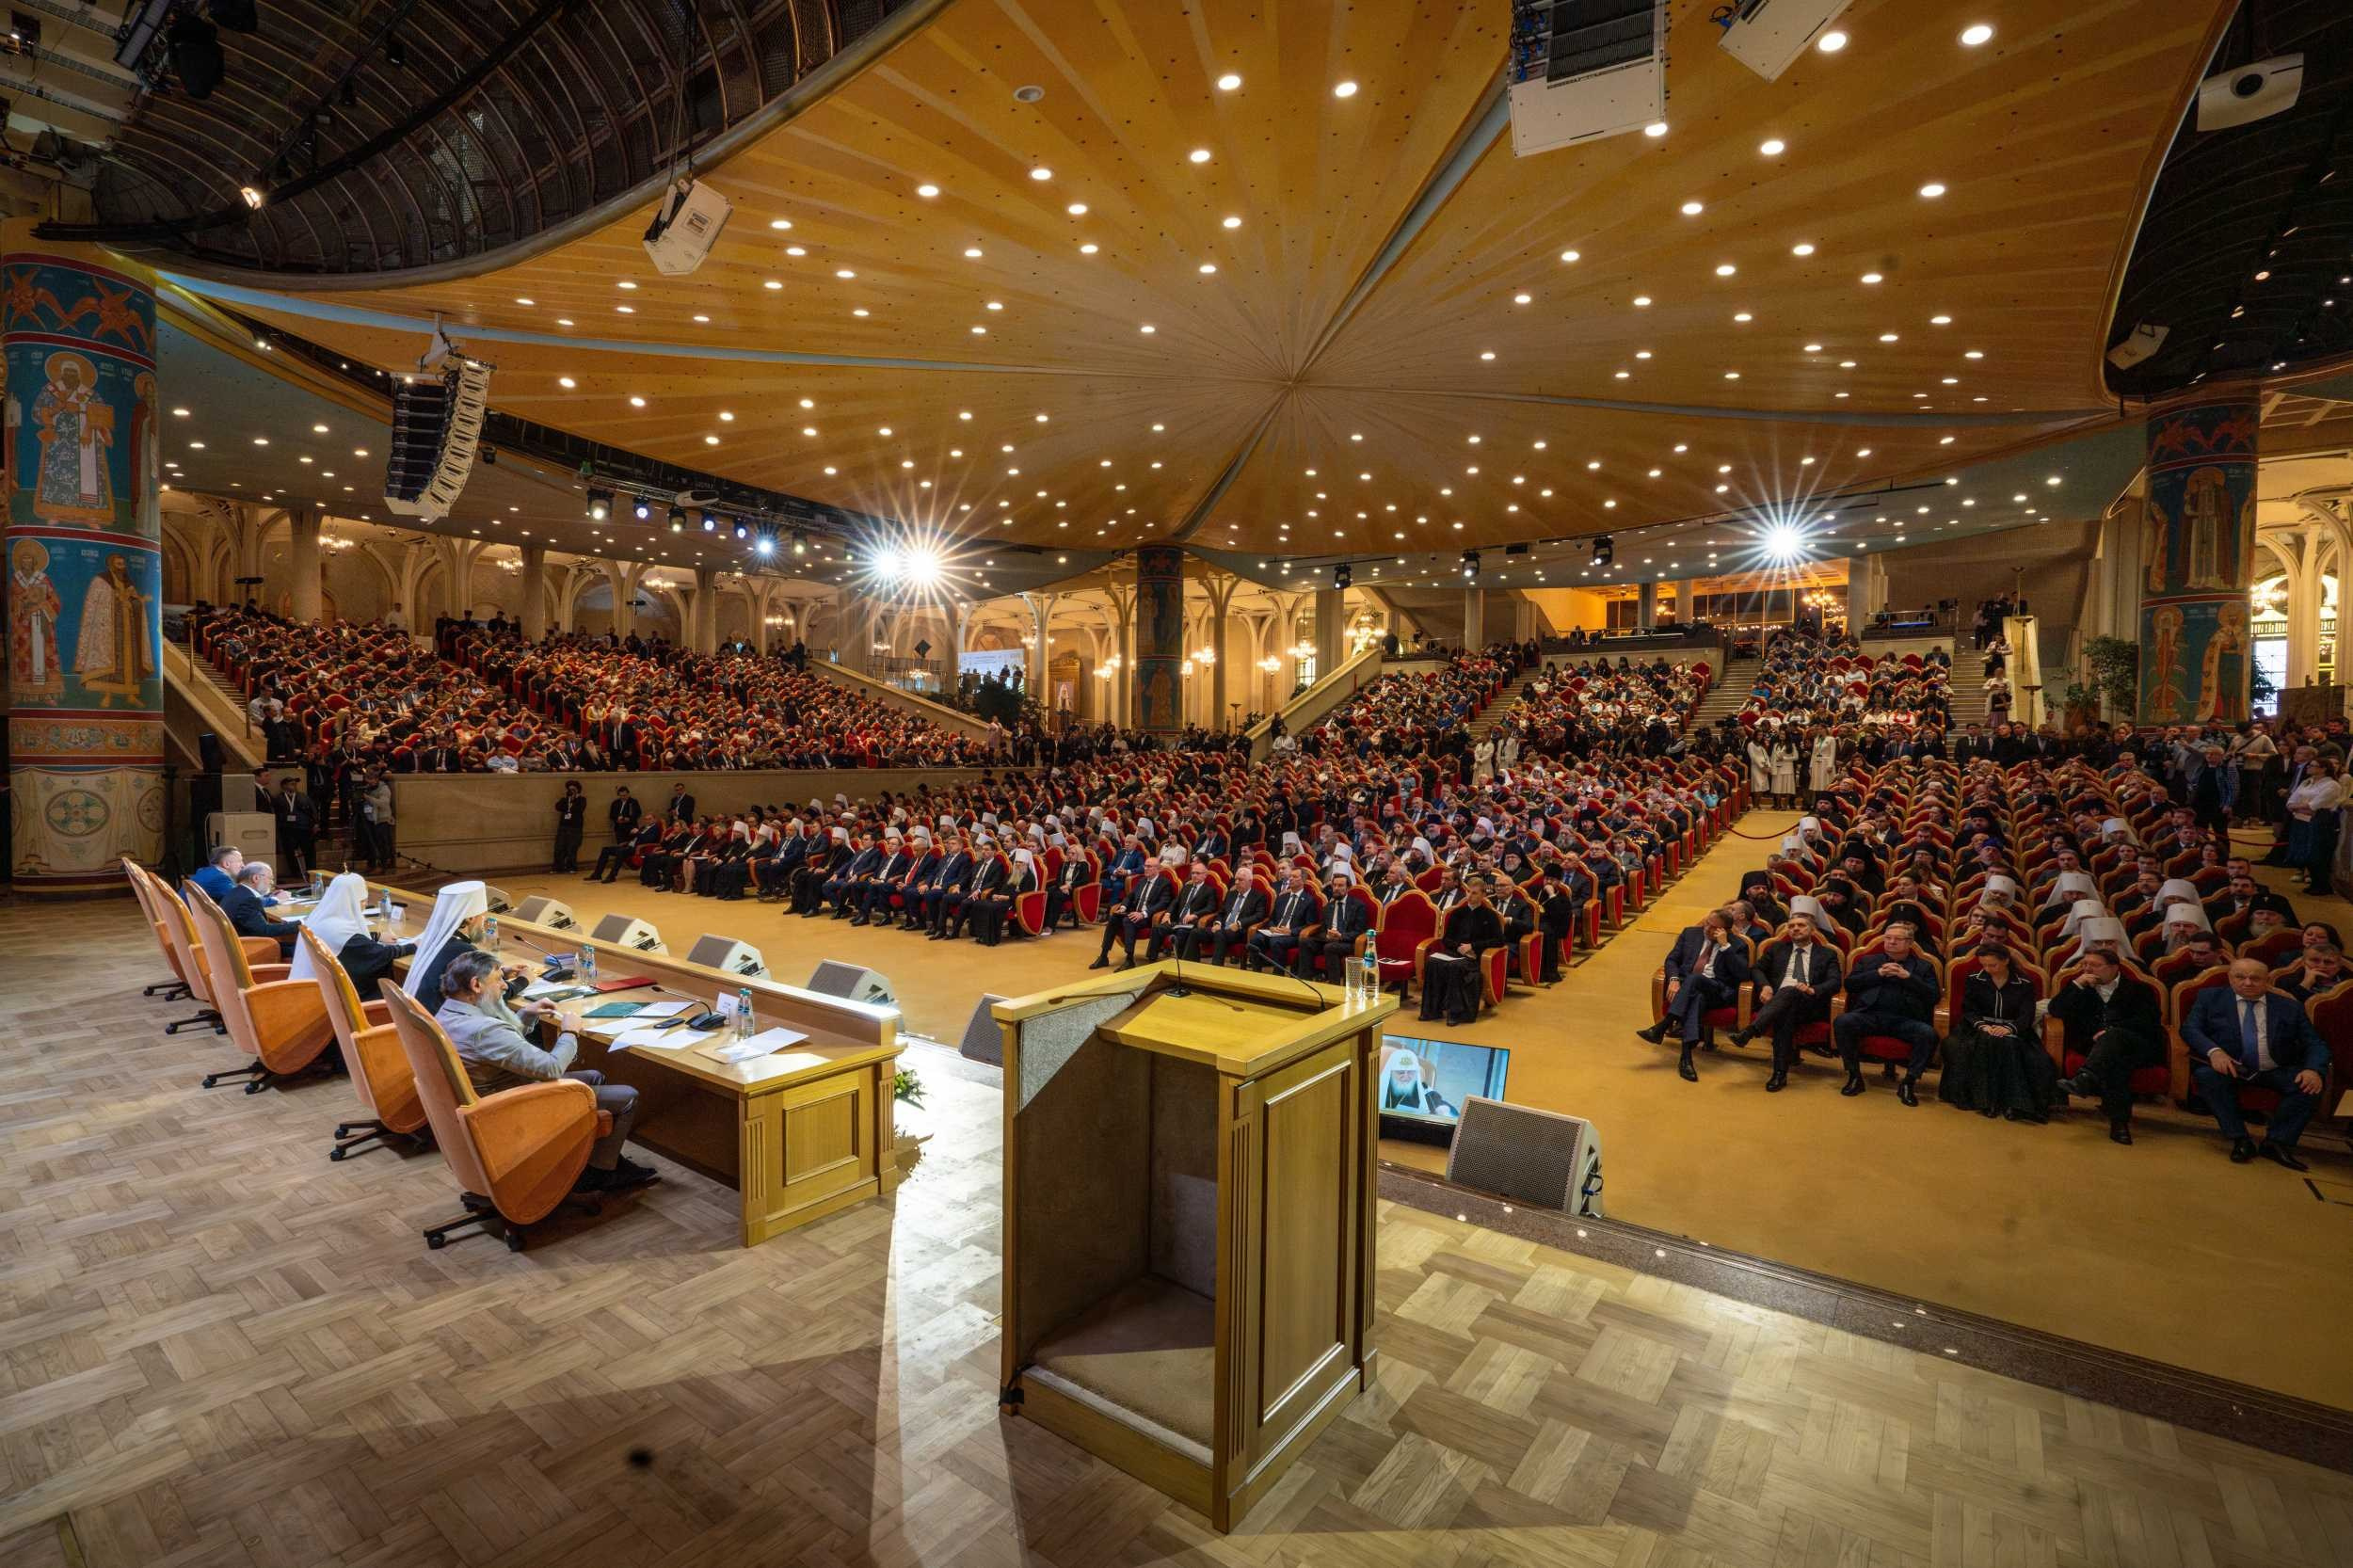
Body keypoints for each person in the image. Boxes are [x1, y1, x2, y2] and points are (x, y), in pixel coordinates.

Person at [433, 950, 656, 1193]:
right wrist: (570, 1032)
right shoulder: (483, 1029)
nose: (505, 986)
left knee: (594, 1077)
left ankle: (591, 1160)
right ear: (476, 985)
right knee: (627, 1096)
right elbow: (551, 1068)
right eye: (498, 979)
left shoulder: (449, 1012)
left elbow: (500, 1048)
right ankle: (600, 1174)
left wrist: (525, 1015)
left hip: (489, 1097)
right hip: (509, 1107)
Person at [2182, 957, 2334, 1171]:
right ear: (2230, 978)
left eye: (2255, 978)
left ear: (2267, 980)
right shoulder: (2210, 998)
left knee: (2308, 1085)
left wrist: (2313, 1069)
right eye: (2240, 977)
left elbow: (2315, 1043)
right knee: (2206, 1076)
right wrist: (2214, 1052)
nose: (2247, 983)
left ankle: (2276, 1142)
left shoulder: (2289, 1007)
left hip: (2275, 1068)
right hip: (2231, 1066)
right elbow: (2190, 1029)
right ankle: (2240, 1139)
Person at [2049, 947, 2166, 1145]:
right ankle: (2119, 1123)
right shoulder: (2079, 988)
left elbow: (2149, 1021)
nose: (2088, 969)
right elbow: (2055, 1010)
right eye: (2084, 965)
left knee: (2115, 1041)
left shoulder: (2139, 990)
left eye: (2094, 965)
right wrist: (2077, 984)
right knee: (2116, 1062)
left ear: (2113, 968)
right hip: (2093, 1047)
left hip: (2134, 1044)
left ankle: (2086, 1078)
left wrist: (2113, 1030)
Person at [1936, 942, 2055, 1121]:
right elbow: (1969, 1010)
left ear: (2006, 961)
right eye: (1984, 965)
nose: (1988, 969)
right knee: (1978, 1044)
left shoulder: (2024, 983)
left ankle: (2015, 1104)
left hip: (2014, 1029)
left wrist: (2009, 1028)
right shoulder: (1975, 979)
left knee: (2021, 1051)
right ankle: (1985, 1101)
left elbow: (2026, 1015)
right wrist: (1982, 1026)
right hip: (1979, 1027)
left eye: (1993, 965)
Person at [1734, 911, 1844, 1093]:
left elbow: (1834, 982)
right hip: (1779, 1003)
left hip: (1809, 1003)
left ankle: (1752, 1031)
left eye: (1801, 925)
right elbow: (1757, 969)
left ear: (1812, 930)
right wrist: (1765, 986)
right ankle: (1779, 1074)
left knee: (1789, 993)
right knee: (1785, 1011)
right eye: (1791, 926)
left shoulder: (1827, 954)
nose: (1795, 929)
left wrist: (1812, 989)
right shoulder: (1778, 948)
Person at [1830, 922, 1939, 1101]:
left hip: (1905, 1020)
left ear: (1910, 943)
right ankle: (1854, 1076)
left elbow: (1933, 996)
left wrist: (1908, 978)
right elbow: (1850, 984)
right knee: (1843, 1021)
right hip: (1870, 1015)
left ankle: (1909, 1082)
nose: (1891, 942)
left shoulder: (1923, 967)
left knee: (1928, 1034)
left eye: (1898, 939)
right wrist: (1878, 973)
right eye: (1888, 938)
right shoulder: (1868, 961)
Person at [1639, 907, 1753, 1080]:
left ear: (1725, 930)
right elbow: (1672, 960)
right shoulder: (1691, 933)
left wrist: (1724, 946)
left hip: (1718, 991)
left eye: (1714, 927)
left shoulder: (1737, 945)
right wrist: (1674, 979)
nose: (1707, 929)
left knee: (1694, 980)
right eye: (1707, 923)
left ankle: (1664, 1025)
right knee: (1697, 998)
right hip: (1691, 990)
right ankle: (1686, 1059)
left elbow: (1743, 975)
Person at [288, 872, 413, 1001]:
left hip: (304, 989)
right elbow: (379, 954)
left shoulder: (322, 917)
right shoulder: (340, 929)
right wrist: (413, 946)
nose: (365, 904)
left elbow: (343, 940)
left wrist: (377, 935)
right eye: (363, 900)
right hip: (322, 1001)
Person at [1420, 879, 1504, 1026]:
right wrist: (1459, 946)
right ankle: (1432, 1010)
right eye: (1468, 892)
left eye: (1474, 893)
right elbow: (1446, 939)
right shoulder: (1457, 913)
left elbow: (1499, 941)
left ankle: (1456, 1013)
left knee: (1456, 967)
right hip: (1455, 952)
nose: (1469, 896)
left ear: (1483, 895)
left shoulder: (1490, 915)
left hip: (1475, 957)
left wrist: (1473, 946)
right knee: (1433, 962)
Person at [1182, 862, 1268, 966]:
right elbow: (1221, 912)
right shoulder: (1231, 894)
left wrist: (1240, 923)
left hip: (1239, 931)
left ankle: (1216, 968)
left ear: (1250, 881)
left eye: (1240, 880)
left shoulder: (1258, 896)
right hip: (1222, 928)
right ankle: (1189, 965)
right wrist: (1217, 923)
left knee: (1219, 934)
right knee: (1195, 932)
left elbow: (1259, 915)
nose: (1236, 882)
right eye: (1236, 879)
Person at [1298, 872, 1374, 981]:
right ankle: (1305, 980)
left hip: (1348, 942)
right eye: (1334, 885)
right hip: (1328, 941)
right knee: (1304, 941)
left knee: (1330, 948)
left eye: (1340, 885)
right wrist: (1327, 936)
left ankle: (1335, 984)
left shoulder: (1358, 906)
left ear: (1348, 888)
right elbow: (1323, 930)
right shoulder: (1328, 907)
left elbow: (1359, 931)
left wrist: (1341, 936)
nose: (1336, 888)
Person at [221, 861, 302, 958]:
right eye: (270, 878)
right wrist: (301, 923)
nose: (272, 882)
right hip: (251, 950)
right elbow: (264, 930)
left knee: (301, 946)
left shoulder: (236, 892)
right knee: (306, 950)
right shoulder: (248, 900)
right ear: (256, 878)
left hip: (242, 945)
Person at [1378, 1046, 1457, 1118]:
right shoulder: (1376, 1090)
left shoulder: (1426, 1093)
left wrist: (1446, 1112)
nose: (1406, 1076)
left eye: (1410, 1072)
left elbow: (1447, 1111)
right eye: (1400, 1072)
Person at [269, 775, 316, 882]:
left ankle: (311, 871)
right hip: (287, 829)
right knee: (290, 852)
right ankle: (296, 873)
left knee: (309, 851)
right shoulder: (278, 798)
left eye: (295, 783)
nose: (294, 785)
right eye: (291, 783)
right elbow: (275, 813)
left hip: (304, 828)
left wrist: (315, 823)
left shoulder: (303, 796)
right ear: (284, 786)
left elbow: (313, 810)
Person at [552, 780, 587, 872]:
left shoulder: (582, 800)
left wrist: (574, 799)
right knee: (559, 848)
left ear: (578, 790)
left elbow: (579, 809)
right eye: (570, 789)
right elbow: (558, 807)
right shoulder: (565, 800)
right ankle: (558, 867)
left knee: (572, 848)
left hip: (575, 828)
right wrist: (568, 799)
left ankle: (571, 867)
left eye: (573, 789)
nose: (571, 791)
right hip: (563, 827)